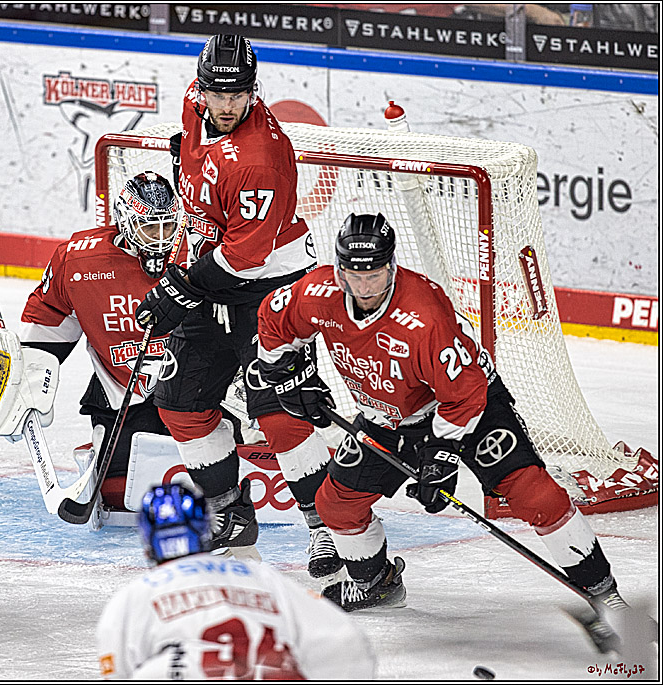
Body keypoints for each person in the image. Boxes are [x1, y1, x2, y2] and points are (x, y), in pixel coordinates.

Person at [256, 212, 629, 613]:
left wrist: (441, 455)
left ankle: (605, 594)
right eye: (354, 275)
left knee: (534, 493)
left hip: (469, 405)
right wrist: (290, 377)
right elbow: (272, 322)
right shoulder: (317, 293)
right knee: (336, 503)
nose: (364, 287)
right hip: (388, 418)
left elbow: (465, 393)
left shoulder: (423, 316)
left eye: (375, 275)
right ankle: (375, 582)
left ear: (392, 267)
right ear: (339, 270)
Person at [135, 34, 344, 581]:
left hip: (271, 288)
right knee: (179, 400)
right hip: (214, 275)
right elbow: (194, 155)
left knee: (279, 411)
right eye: (217, 93)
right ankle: (229, 510)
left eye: (238, 94)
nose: (226, 105)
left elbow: (244, 257)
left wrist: (177, 289)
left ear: (254, 91)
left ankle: (325, 529)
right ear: (200, 87)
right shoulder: (197, 103)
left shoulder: (260, 159)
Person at [0, 171, 227, 522]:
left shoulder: (198, 252)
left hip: (195, 387)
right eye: (149, 228)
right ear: (127, 223)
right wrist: (27, 374)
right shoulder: (79, 261)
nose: (161, 239)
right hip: (122, 392)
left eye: (168, 227)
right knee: (121, 495)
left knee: (217, 474)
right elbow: (52, 317)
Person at [95, 483, 375, 680]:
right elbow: (345, 641)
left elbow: (117, 672)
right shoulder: (262, 577)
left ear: (147, 543)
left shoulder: (133, 597)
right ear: (206, 530)